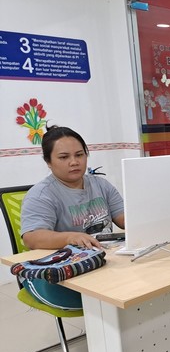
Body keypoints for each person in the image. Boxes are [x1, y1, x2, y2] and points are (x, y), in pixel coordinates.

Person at [20, 125, 125, 309]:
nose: (74, 162)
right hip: (57, 277)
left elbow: (124, 218)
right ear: (48, 161)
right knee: (119, 294)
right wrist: (70, 237)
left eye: (79, 155)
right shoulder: (41, 194)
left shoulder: (101, 185)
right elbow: (32, 238)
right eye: (64, 157)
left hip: (100, 264)